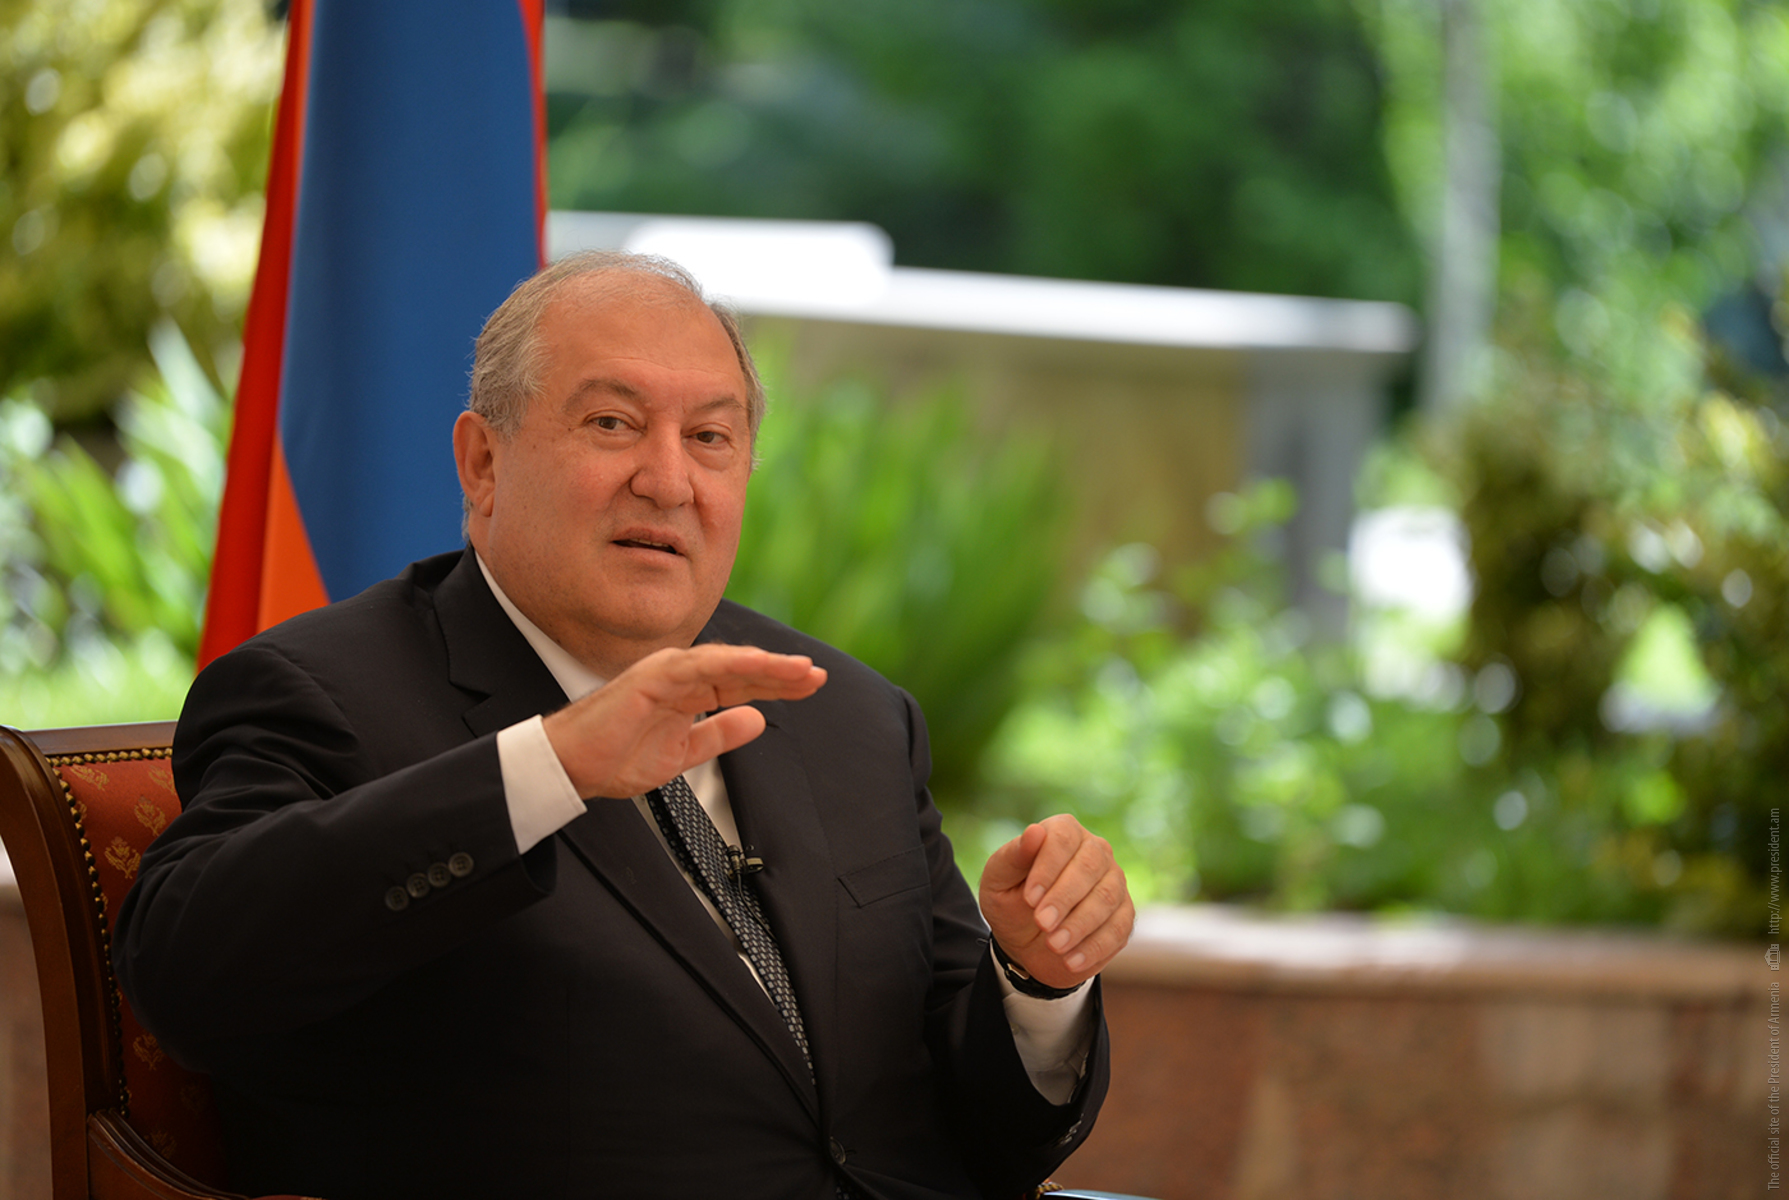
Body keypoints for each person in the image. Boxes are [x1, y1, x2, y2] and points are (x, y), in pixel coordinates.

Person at [114, 250, 1134, 1200]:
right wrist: (548, 767)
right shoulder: (319, 693)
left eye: (710, 438)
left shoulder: (849, 716)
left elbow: (975, 1126)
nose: (668, 480)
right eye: (611, 424)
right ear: (483, 463)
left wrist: (1035, 982)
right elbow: (187, 976)